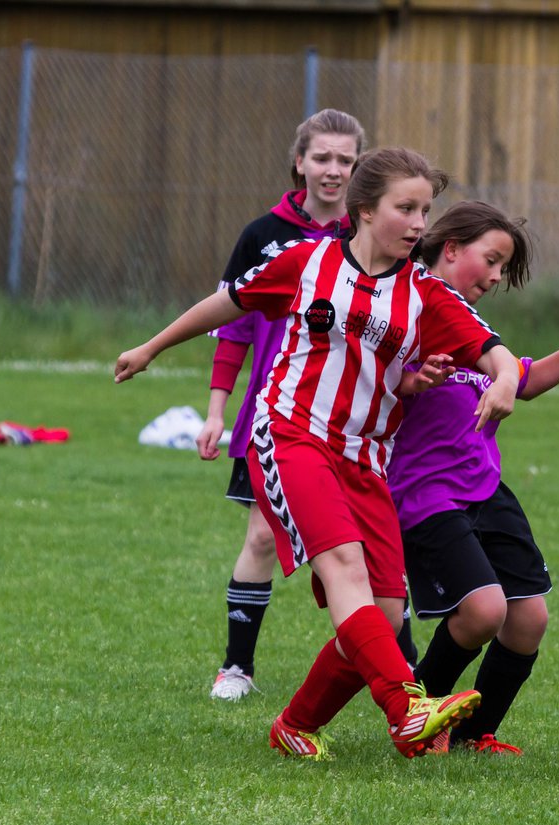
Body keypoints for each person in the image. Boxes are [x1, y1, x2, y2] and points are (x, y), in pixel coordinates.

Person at [116, 147, 525, 760]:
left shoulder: (425, 294)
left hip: (367, 458)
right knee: (344, 573)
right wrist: (151, 347)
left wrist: (504, 383)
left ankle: (295, 724)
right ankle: (407, 707)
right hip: (290, 434)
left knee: (384, 615)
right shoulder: (304, 263)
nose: (419, 223)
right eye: (405, 208)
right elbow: (228, 302)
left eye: (425, 210)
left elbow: (494, 352)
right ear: (363, 211)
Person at [388, 201, 559, 755]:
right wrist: (412, 380)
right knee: (482, 611)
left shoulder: (469, 326)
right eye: (492, 260)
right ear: (451, 248)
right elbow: (375, 379)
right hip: (428, 494)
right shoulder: (411, 307)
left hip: (485, 489)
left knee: (528, 618)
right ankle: (416, 717)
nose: (498, 276)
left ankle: (477, 733)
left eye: (504, 266)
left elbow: (520, 379)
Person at [199, 108, 368, 701]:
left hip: (351, 420)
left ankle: (383, 665)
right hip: (271, 415)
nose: (333, 170)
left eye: (346, 160)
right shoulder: (262, 235)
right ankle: (236, 668)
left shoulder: (366, 237)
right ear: (299, 162)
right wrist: (218, 410)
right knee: (263, 537)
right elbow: (235, 325)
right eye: (322, 157)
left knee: (359, 546)